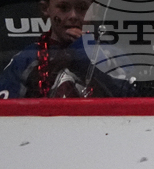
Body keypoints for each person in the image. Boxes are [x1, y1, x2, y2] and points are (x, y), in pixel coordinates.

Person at [0, 0, 136, 98]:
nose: (73, 16)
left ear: (94, 11)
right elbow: (7, 113)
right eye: (63, 8)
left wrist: (84, 53)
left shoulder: (111, 55)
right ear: (45, 8)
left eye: (82, 8)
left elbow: (129, 97)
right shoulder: (27, 59)